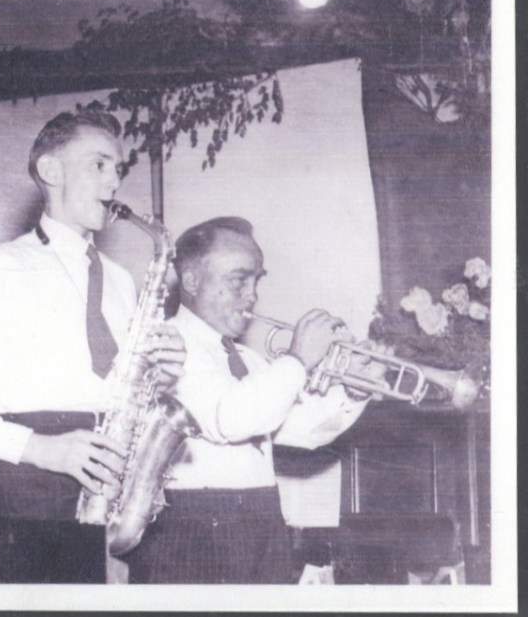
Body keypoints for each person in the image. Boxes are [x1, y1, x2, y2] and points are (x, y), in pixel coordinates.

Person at [0, 108, 185, 526]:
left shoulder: (122, 280)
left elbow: (117, 390)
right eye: (99, 165)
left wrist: (161, 374)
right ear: (50, 169)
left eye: (117, 169)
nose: (114, 181)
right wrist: (40, 448)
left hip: (110, 477)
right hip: (26, 478)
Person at [126, 216, 378, 584]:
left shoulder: (248, 359)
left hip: (262, 517)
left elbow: (304, 430)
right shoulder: (168, 345)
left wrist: (353, 390)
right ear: (192, 281)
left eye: (256, 279)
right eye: (239, 279)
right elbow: (229, 418)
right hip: (195, 527)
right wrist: (298, 361)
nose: (253, 294)